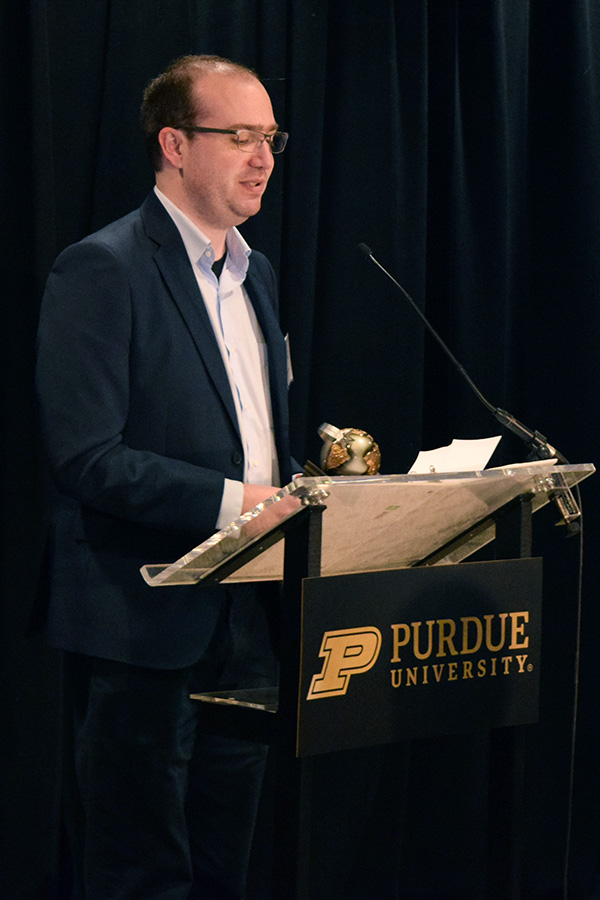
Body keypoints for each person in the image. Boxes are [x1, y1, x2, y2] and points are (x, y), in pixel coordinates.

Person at [35, 54, 297, 900]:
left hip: (246, 611)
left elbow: (251, 443)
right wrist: (238, 502)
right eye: (240, 136)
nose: (262, 157)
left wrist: (304, 487)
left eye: (270, 138)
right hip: (140, 618)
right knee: (141, 873)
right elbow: (85, 455)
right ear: (176, 144)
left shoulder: (258, 276)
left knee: (227, 865)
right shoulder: (103, 267)